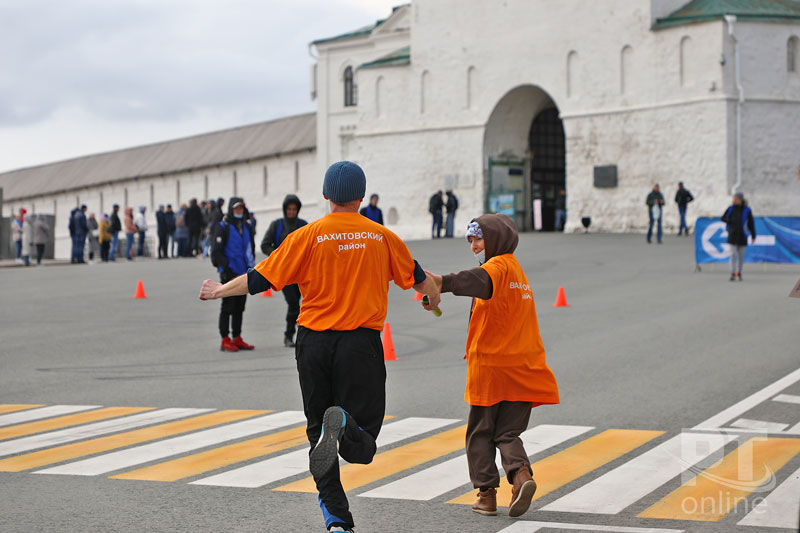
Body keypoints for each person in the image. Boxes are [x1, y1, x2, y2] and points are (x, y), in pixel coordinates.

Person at [198, 161, 440, 533]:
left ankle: (337, 520)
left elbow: (260, 277)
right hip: (360, 344)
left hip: (312, 343)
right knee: (363, 443)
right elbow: (420, 279)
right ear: (361, 196)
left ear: (326, 195)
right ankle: (343, 424)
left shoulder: (307, 236)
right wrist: (432, 297)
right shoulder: (382, 237)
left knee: (316, 434)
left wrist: (219, 290)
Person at [423, 215, 559, 519]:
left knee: (480, 432)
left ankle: (486, 496)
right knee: (508, 433)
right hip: (523, 365)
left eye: (479, 239)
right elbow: (498, 315)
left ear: (496, 240)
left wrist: (441, 282)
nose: (474, 246)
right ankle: (521, 476)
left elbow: (475, 280)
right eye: (470, 240)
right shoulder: (517, 272)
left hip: (493, 369)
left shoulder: (496, 268)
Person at [210, 197, 256, 353]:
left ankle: (237, 337)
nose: (239, 211)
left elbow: (251, 248)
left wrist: (252, 268)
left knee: (240, 306)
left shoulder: (247, 226)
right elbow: (216, 251)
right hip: (229, 273)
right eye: (236, 208)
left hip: (244, 273)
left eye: (241, 208)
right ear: (231, 209)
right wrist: (226, 268)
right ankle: (225, 339)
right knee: (227, 306)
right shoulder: (223, 226)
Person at [261, 194, 308, 347]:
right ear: (284, 209)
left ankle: (298, 336)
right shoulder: (277, 225)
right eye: (289, 209)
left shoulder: (304, 225)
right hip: (284, 273)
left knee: (300, 304)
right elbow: (265, 245)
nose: (291, 212)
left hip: (300, 273)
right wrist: (277, 256)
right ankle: (289, 335)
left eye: (294, 209)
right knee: (293, 303)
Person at [722, 192, 756, 282]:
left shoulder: (747, 210)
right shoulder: (730, 208)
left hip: (743, 236)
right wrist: (730, 220)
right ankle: (732, 272)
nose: (734, 200)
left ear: (740, 199)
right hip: (732, 235)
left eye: (736, 198)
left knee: (741, 256)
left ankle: (739, 272)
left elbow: (751, 223)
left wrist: (753, 235)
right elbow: (723, 218)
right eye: (734, 198)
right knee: (733, 254)